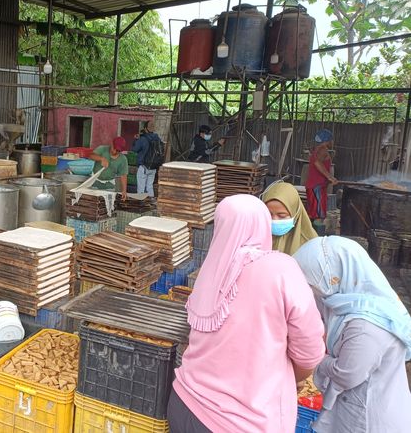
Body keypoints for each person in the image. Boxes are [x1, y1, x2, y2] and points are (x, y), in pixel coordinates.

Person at [169, 194, 325, 433]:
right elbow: (310, 353)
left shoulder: (209, 270)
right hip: (240, 422)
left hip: (184, 401)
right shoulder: (280, 268)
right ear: (262, 223)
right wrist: (285, 378)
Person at [293, 236, 411, 433]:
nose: (309, 289)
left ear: (333, 276)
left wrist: (315, 358)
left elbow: (347, 374)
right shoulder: (344, 304)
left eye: (311, 281)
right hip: (355, 409)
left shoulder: (367, 323)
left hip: (372, 420)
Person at [261, 181, 318, 255]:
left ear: (296, 213)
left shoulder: (311, 245)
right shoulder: (255, 237)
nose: (274, 220)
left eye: (282, 216)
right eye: (269, 214)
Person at [306, 129, 338, 221]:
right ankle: (317, 233)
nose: (332, 142)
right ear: (327, 140)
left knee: (315, 213)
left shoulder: (318, 149)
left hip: (317, 186)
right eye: (331, 139)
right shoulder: (323, 149)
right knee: (318, 216)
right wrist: (330, 177)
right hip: (316, 186)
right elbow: (317, 163)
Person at [132, 122, 164, 196]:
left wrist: (136, 140)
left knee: (141, 188)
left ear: (145, 129)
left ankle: (141, 205)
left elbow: (134, 149)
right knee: (149, 187)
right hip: (153, 167)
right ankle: (151, 204)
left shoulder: (143, 139)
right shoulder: (157, 138)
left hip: (144, 167)